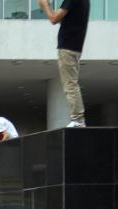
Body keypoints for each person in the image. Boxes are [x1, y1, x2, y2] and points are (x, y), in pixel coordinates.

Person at [39, 0, 90, 128]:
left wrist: (45, 5)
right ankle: (78, 119)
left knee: (70, 84)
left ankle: (78, 119)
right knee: (71, 83)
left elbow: (54, 19)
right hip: (75, 45)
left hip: (68, 45)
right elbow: (67, 19)